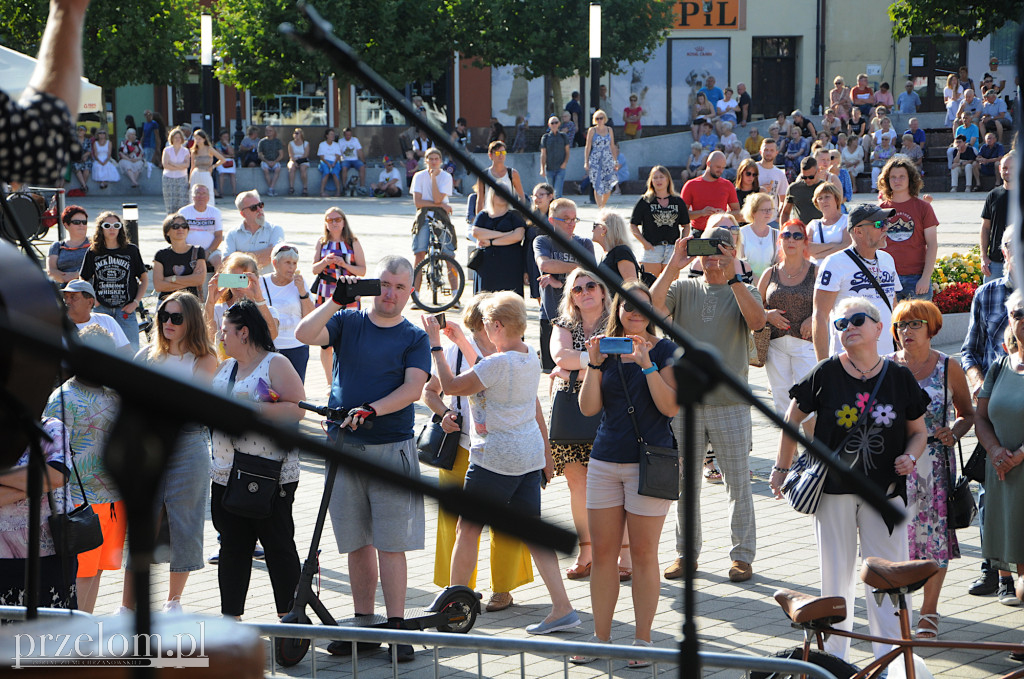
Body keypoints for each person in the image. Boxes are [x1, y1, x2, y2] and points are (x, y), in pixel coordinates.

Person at [770, 296, 929, 662]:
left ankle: (890, 660)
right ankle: (834, 661)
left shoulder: (898, 376)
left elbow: (918, 431)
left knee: (889, 582)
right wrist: (781, 468)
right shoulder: (825, 372)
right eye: (840, 324)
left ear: (878, 328)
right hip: (834, 493)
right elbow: (791, 420)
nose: (849, 328)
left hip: (885, 493)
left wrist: (910, 456)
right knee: (835, 578)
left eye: (857, 320)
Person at [294, 256, 430, 663]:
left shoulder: (413, 336)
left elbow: (413, 390)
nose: (390, 294)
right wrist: (335, 300)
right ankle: (364, 625)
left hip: (390, 447)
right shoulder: (348, 321)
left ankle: (397, 629)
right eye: (385, 284)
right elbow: (304, 333)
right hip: (344, 448)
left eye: (399, 288)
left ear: (409, 292)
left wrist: (372, 408)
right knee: (356, 543)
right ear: (375, 284)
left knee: (391, 545)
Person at [422, 292, 581, 636]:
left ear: (497, 326)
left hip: (495, 458)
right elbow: (485, 366)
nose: (485, 331)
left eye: (486, 327)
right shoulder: (528, 356)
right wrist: (462, 340)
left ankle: (454, 608)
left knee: (467, 529)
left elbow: (452, 385)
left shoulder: (497, 364)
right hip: (527, 455)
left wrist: (436, 345)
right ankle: (562, 607)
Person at [651, 226, 766, 582]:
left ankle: (742, 556)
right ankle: (686, 554)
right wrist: (674, 262)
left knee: (738, 484)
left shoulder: (743, 289)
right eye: (707, 248)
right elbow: (649, 305)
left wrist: (733, 278)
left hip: (730, 402)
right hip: (686, 403)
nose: (714, 255)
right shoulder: (684, 287)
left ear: (734, 251)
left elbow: (759, 323)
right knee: (685, 485)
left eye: (723, 248)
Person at [574, 283, 679, 664]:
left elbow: (669, 407)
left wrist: (646, 363)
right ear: (617, 309)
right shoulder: (607, 349)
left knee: (644, 554)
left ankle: (643, 640)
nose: (635, 312)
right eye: (628, 306)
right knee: (602, 554)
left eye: (643, 306)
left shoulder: (666, 350)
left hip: (648, 463)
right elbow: (588, 409)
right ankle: (600, 638)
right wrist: (594, 365)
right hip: (604, 460)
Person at [423, 294, 533, 614]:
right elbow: (430, 392)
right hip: (461, 449)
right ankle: (458, 588)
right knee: (456, 524)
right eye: (482, 325)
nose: (487, 330)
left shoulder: (514, 349)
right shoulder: (457, 349)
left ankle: (502, 589)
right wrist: (444, 412)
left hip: (505, 451)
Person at [119, 293, 216, 614]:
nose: (168, 323)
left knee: (184, 523)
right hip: (150, 445)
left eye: (176, 318)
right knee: (143, 524)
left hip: (188, 444)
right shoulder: (147, 355)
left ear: (191, 322)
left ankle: (174, 602)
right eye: (164, 316)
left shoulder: (204, 359)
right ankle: (126, 607)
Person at [210, 298, 303, 619]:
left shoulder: (275, 363)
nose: (221, 337)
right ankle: (230, 620)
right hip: (224, 474)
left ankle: (290, 622)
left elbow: (297, 408)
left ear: (245, 332)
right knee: (233, 550)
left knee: (278, 548)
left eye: (226, 331)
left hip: (267, 474)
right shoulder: (225, 367)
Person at [887, 300, 975, 638]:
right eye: (901, 326)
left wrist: (953, 431)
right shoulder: (886, 366)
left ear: (932, 329)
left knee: (935, 539)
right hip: (896, 466)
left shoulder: (947, 367)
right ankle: (901, 609)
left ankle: (929, 611)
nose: (906, 332)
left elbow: (967, 412)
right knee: (899, 539)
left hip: (935, 465)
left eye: (914, 325)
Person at [42, 326, 122, 613]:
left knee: (98, 570)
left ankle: (85, 631)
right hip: (78, 502)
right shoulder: (61, 400)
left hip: (114, 500)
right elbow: (49, 456)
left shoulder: (115, 394)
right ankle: (77, 639)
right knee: (82, 574)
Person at [547, 270, 616, 581]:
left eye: (591, 286)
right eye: (577, 289)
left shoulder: (617, 321)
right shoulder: (563, 324)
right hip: (571, 414)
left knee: (613, 486)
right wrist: (594, 362)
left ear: (602, 290)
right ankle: (587, 552)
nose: (585, 292)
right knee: (579, 485)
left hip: (612, 409)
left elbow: (620, 360)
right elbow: (559, 356)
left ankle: (619, 553)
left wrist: (572, 371)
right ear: (571, 296)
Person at [973, 289, 1024, 615]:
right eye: (1019, 314)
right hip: (1004, 475)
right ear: (1009, 320)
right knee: (1018, 555)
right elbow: (980, 416)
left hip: (1017, 466)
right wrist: (994, 450)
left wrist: (1019, 454)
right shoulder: (1000, 367)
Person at [0, 417, 76, 611]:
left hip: (52, 558)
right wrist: (38, 481)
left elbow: (58, 475)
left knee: (53, 635)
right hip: (4, 564)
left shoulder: (51, 428)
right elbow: (50, 478)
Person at [813, 204, 900, 360]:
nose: (885, 228)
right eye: (879, 224)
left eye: (886, 223)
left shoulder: (888, 260)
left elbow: (894, 309)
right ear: (858, 231)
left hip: (887, 359)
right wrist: (823, 365)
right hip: (849, 362)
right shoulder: (834, 263)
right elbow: (820, 316)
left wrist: (901, 350)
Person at [757, 219, 817, 425]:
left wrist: (814, 317)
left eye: (797, 235)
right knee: (782, 402)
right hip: (776, 345)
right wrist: (767, 314)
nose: (791, 240)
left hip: (806, 344)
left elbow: (830, 305)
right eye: (786, 235)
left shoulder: (815, 271)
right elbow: (754, 307)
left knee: (808, 402)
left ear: (805, 242)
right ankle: (789, 457)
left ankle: (813, 454)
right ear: (779, 241)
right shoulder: (770, 273)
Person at [534, 198, 596, 373]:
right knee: (551, 371)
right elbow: (545, 265)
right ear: (552, 221)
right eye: (566, 219)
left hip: (580, 317)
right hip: (550, 316)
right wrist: (579, 267)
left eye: (574, 219)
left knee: (579, 368)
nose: (571, 224)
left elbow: (591, 275)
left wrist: (560, 282)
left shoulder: (584, 243)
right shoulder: (543, 241)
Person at [78, 211, 147, 353]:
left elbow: (144, 278)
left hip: (125, 310)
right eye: (107, 225)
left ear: (120, 228)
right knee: (100, 351)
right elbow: (83, 278)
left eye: (116, 225)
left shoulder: (131, 250)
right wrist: (93, 300)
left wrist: (135, 302)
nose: (111, 229)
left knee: (131, 353)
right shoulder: (93, 251)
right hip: (101, 309)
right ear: (101, 228)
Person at [311, 207, 366, 381]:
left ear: (343, 222)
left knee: (350, 338)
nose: (334, 223)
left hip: (348, 291)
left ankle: (348, 379)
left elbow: (362, 271)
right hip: (326, 292)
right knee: (326, 342)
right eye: (330, 220)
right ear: (325, 223)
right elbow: (314, 269)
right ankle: (329, 381)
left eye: (337, 219)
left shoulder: (353, 242)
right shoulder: (322, 242)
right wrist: (324, 262)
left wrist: (344, 264)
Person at [878, 155, 938, 302]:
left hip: (917, 279)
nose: (897, 181)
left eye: (901, 177)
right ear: (887, 180)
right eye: (893, 177)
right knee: (889, 325)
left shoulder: (924, 208)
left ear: (910, 179)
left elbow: (932, 245)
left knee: (920, 324)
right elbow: (874, 243)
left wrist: (925, 278)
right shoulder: (879, 210)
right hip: (887, 279)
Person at [260, 244, 314, 382]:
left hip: (296, 346)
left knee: (295, 390)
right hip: (269, 347)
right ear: (275, 263)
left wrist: (302, 292)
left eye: (294, 263)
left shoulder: (300, 283)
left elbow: (310, 318)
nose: (292, 267)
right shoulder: (262, 282)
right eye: (288, 263)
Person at [204, 252, 279, 349]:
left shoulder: (267, 311)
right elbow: (207, 339)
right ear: (227, 278)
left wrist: (259, 298)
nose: (238, 285)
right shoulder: (217, 310)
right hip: (226, 363)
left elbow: (271, 335)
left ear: (255, 279)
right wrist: (210, 303)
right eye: (234, 279)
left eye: (243, 278)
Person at [412, 147, 459, 293]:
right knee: (419, 253)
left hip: (441, 216)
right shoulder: (418, 176)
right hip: (423, 215)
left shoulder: (446, 177)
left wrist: (433, 178)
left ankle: (455, 292)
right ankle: (416, 293)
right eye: (430, 159)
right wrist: (441, 204)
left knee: (448, 254)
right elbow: (418, 203)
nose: (433, 162)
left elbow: (438, 197)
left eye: (436, 159)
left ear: (440, 161)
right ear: (425, 161)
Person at [630, 166, 691, 280]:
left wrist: (682, 244)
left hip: (672, 249)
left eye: (661, 177)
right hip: (652, 249)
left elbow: (686, 225)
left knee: (671, 287)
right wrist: (644, 243)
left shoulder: (678, 201)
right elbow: (633, 225)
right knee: (649, 285)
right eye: (655, 178)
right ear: (651, 181)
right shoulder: (645, 201)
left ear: (668, 179)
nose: (658, 180)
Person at [472, 192, 526, 295]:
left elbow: (518, 236)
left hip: (510, 265)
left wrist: (491, 242)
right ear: (492, 195)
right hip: (487, 265)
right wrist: (504, 234)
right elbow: (476, 233)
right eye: (498, 193)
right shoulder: (483, 214)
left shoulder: (514, 214)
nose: (502, 196)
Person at [224, 190, 285, 273]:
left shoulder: (275, 230)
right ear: (243, 214)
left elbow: (274, 256)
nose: (259, 209)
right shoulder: (232, 234)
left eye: (260, 205)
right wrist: (264, 252)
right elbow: (227, 263)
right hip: (242, 284)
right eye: (253, 207)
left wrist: (239, 256)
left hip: (267, 284)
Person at [681, 150, 740, 234]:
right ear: (708, 163)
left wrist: (724, 214)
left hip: (721, 232)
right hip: (699, 232)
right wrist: (701, 212)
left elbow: (738, 212)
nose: (721, 171)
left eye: (723, 167)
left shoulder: (727, 185)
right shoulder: (691, 185)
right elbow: (682, 214)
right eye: (718, 167)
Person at [61, 279, 130, 349]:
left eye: (73, 297)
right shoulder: (57, 326)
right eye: (65, 297)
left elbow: (127, 352)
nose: (67, 301)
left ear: (90, 302)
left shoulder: (107, 320)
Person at [152, 214, 207, 301]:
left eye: (184, 226)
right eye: (175, 226)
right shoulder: (161, 255)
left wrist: (172, 279)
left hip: (191, 303)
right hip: (167, 303)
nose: (180, 229)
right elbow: (158, 286)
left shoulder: (197, 251)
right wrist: (189, 282)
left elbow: (199, 279)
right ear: (167, 232)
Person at [981, 154, 1014, 282]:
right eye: (1005, 168)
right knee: (990, 300)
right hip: (995, 264)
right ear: (999, 169)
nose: (1008, 171)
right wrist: (983, 256)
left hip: (1019, 262)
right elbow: (985, 228)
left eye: (1012, 168)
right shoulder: (993, 195)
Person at [473, 140, 526, 220]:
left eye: (503, 152)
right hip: (490, 216)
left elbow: (521, 196)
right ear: (490, 155)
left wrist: (519, 215)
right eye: (498, 153)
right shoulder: (484, 175)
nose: (501, 155)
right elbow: (480, 200)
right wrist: (479, 220)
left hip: (508, 216)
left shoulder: (512, 173)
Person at [178, 183, 223, 272]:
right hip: (187, 250)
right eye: (198, 193)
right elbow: (178, 235)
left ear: (208, 197)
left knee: (220, 262)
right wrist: (190, 251)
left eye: (204, 194)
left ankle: (219, 285)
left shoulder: (215, 212)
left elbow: (219, 236)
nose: (201, 196)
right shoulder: (183, 212)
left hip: (211, 250)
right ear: (192, 196)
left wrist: (208, 252)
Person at [806, 182, 850, 266]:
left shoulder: (847, 220)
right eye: (820, 198)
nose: (823, 201)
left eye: (827, 197)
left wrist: (818, 255)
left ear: (836, 199)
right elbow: (807, 249)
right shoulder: (813, 224)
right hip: (817, 272)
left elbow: (847, 247)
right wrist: (835, 245)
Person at [593, 210, 640, 284]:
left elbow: (632, 286)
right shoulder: (607, 253)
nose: (592, 230)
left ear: (604, 229)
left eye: (594, 226)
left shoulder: (622, 252)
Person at [47, 205, 91, 283]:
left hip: (88, 287)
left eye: (84, 222)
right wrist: (66, 279)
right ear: (66, 225)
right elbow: (51, 271)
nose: (82, 225)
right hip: (64, 287)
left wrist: (76, 275)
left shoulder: (94, 243)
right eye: (77, 222)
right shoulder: (57, 246)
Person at [584, 110, 618, 209]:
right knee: (597, 184)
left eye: (601, 118)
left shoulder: (609, 130)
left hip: (607, 159)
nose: (599, 120)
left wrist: (615, 161)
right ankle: (600, 208)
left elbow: (612, 146)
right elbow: (588, 146)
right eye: (597, 118)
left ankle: (603, 204)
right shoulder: (592, 130)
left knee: (608, 186)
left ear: (605, 119)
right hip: (595, 159)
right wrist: (586, 162)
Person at [739, 193, 778, 279]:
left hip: (769, 282)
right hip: (747, 282)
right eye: (764, 210)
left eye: (770, 209)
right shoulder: (742, 233)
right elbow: (740, 262)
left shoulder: (776, 234)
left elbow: (778, 264)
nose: (768, 213)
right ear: (753, 212)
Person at [781, 156, 824, 224]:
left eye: (811, 177)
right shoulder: (794, 188)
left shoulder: (826, 188)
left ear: (818, 171)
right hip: (800, 231)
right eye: (804, 177)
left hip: (821, 230)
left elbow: (836, 211)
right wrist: (783, 231)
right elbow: (785, 213)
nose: (808, 180)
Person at [161, 126, 191, 215]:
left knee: (182, 201)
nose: (177, 139)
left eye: (179, 137)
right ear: (172, 138)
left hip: (182, 178)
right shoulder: (167, 150)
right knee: (170, 201)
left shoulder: (185, 151)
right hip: (168, 178)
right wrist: (179, 166)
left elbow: (186, 165)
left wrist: (172, 164)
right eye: (175, 137)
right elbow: (165, 165)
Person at [189, 129, 223, 205]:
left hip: (206, 174)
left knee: (208, 192)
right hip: (196, 173)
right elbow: (192, 166)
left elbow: (222, 159)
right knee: (194, 193)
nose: (197, 140)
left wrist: (213, 166)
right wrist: (189, 179)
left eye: (199, 139)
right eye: (196, 138)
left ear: (204, 139)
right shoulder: (194, 150)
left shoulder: (209, 149)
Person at [539, 116, 570, 198]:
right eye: (552, 123)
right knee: (549, 193)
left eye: (556, 122)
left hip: (560, 168)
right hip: (549, 168)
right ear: (549, 125)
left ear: (559, 124)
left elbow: (567, 151)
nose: (554, 124)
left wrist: (564, 163)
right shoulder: (545, 138)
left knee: (558, 192)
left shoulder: (563, 136)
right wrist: (542, 169)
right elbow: (543, 154)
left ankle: (557, 209)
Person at [756, 138, 789, 212]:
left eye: (771, 150)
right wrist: (759, 190)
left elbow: (784, 199)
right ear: (760, 152)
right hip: (754, 214)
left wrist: (779, 216)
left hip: (772, 217)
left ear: (776, 153)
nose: (768, 153)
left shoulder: (780, 174)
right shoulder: (752, 169)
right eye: (766, 150)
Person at [258, 125, 285, 196]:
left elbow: (281, 154)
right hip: (265, 161)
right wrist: (267, 161)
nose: (268, 132)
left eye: (270, 131)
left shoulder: (277, 141)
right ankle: (271, 189)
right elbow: (260, 154)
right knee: (266, 170)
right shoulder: (262, 142)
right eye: (267, 131)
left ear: (273, 132)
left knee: (277, 169)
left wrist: (275, 161)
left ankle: (270, 188)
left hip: (275, 160)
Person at [317, 128, 343, 197]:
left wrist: (334, 163)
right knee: (326, 172)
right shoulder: (322, 144)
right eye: (331, 134)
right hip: (325, 161)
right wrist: (327, 163)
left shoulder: (336, 145)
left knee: (335, 173)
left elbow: (338, 156)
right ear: (327, 135)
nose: (333, 136)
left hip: (334, 161)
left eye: (333, 135)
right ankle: (322, 191)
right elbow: (321, 156)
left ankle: (338, 191)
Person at [286, 128, 311, 196]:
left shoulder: (306, 143)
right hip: (294, 160)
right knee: (291, 168)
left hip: (302, 160)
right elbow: (291, 155)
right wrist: (295, 161)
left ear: (301, 134)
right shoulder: (291, 143)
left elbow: (306, 154)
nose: (295, 135)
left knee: (303, 169)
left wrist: (299, 161)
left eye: (297, 133)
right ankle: (291, 187)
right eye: (294, 133)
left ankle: (305, 188)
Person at [214, 129, 236, 197]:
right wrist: (229, 156)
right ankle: (221, 191)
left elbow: (232, 153)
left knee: (232, 174)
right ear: (221, 137)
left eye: (227, 137)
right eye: (224, 137)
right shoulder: (218, 144)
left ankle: (234, 192)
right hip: (221, 160)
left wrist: (227, 144)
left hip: (230, 161)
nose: (226, 138)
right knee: (222, 174)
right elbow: (220, 155)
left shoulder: (230, 144)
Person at [72, 126, 93, 192]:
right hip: (76, 158)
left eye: (81, 130)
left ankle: (83, 186)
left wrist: (84, 156)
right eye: (78, 130)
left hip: (85, 158)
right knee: (76, 165)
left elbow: (89, 151)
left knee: (87, 167)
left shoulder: (87, 140)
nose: (80, 132)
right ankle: (84, 186)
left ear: (85, 132)